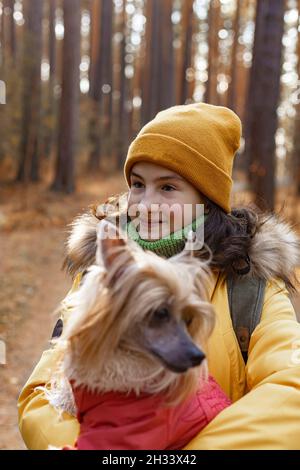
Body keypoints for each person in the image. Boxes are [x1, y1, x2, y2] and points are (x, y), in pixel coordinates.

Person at [18, 102, 300, 450]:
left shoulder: (251, 284)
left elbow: (291, 391)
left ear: (206, 200)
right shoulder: (106, 274)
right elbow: (40, 395)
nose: (145, 203)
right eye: (138, 184)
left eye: (168, 188)